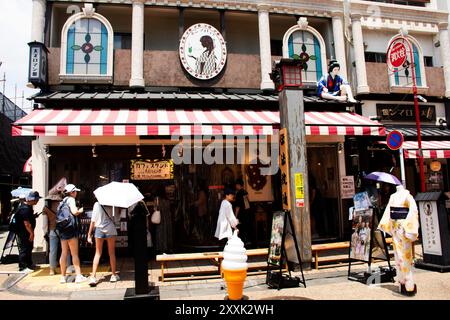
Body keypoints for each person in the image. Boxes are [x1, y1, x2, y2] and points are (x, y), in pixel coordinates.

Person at [378, 184, 419, 296]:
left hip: (399, 229)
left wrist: (388, 226)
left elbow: (388, 213)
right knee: (401, 256)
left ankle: (406, 283)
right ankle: (405, 283)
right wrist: (410, 228)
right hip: (403, 229)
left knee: (403, 256)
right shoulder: (407, 196)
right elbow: (414, 212)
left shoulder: (399, 196)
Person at [58, 184, 87, 284]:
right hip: (71, 230)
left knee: (64, 253)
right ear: (72, 192)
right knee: (74, 254)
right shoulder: (71, 200)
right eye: (75, 191)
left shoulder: (62, 201)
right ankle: (78, 276)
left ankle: (62, 277)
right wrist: (80, 211)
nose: (76, 193)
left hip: (63, 229)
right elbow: (74, 212)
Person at [87, 202, 119, 286]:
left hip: (99, 230)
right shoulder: (112, 204)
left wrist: (89, 234)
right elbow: (116, 219)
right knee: (111, 253)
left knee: (97, 253)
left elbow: (93, 221)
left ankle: (93, 277)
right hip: (110, 229)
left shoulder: (96, 204)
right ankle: (113, 275)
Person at [42, 193, 73, 275]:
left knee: (52, 251)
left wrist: (45, 232)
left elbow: (44, 223)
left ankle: (52, 270)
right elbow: (67, 218)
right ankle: (68, 267)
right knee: (67, 249)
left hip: (52, 231)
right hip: (63, 229)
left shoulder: (45, 208)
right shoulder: (63, 206)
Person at [15, 191, 41, 272]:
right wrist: (31, 233)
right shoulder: (25, 209)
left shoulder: (28, 208)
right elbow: (26, 223)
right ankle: (22, 267)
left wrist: (34, 216)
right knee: (24, 248)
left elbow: (28, 219)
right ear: (32, 199)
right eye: (36, 199)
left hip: (27, 232)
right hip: (24, 232)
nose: (37, 201)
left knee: (29, 248)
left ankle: (29, 264)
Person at [234, 178, 252, 246]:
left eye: (236, 185)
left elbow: (237, 206)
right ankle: (247, 241)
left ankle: (242, 242)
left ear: (238, 185)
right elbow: (247, 203)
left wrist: (235, 216)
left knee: (240, 228)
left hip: (241, 213)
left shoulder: (239, 193)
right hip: (247, 212)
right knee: (246, 227)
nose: (236, 187)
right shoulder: (245, 192)